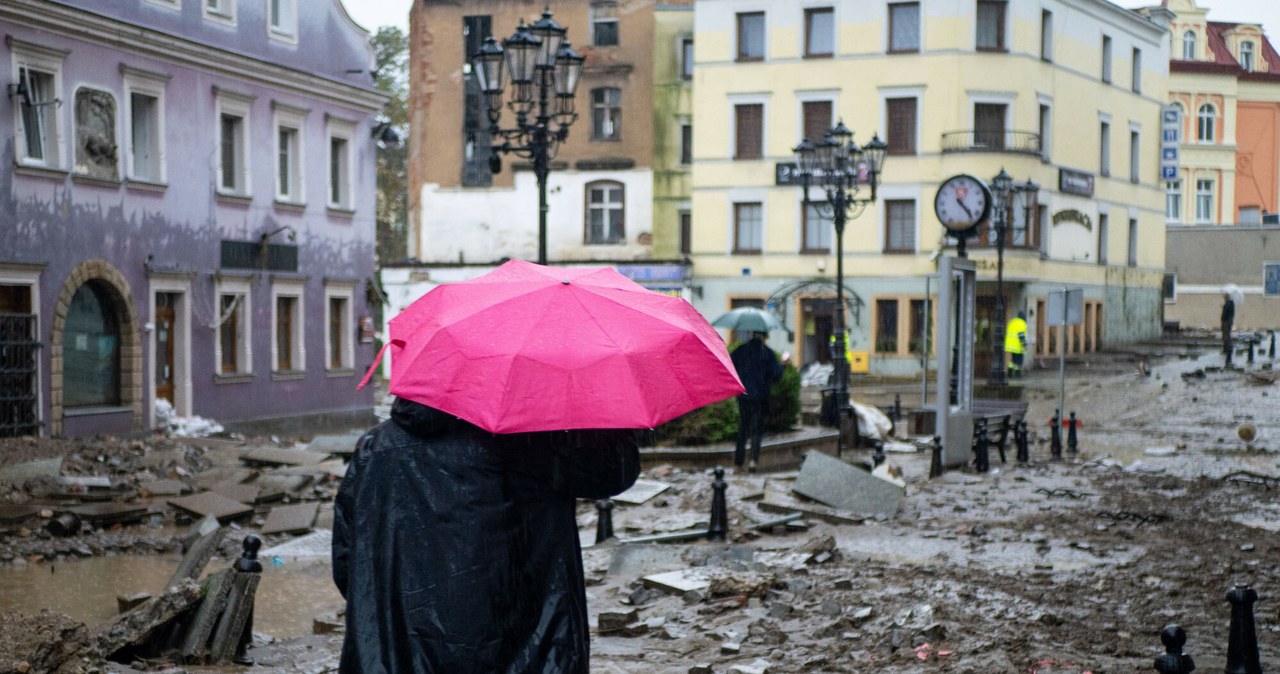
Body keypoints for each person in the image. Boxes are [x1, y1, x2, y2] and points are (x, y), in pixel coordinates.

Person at [332, 397, 639, 674]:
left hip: (403, 653)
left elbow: (349, 563)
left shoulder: (374, 448)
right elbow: (611, 473)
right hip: (526, 647)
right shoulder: (538, 439)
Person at [730, 332, 785, 472]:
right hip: (760, 397)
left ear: (751, 335)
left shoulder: (740, 350)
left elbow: (730, 367)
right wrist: (783, 365)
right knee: (756, 429)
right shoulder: (767, 353)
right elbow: (776, 376)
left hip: (744, 396)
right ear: (764, 337)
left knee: (742, 428)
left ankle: (738, 463)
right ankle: (753, 460)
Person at [1005, 311, 1029, 378]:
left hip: (1010, 345)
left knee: (1013, 360)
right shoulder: (1022, 323)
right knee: (1019, 361)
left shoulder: (1012, 322)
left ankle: (1009, 373)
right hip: (1017, 345)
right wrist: (1024, 344)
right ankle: (1017, 374)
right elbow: (1021, 335)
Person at [1222, 292, 1236, 366]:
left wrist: (1225, 319)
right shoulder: (1227, 303)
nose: (1224, 298)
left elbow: (1228, 313)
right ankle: (1226, 348)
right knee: (1225, 335)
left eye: (1225, 296)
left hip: (1227, 322)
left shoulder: (1230, 304)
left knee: (1227, 335)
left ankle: (1228, 349)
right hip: (1226, 321)